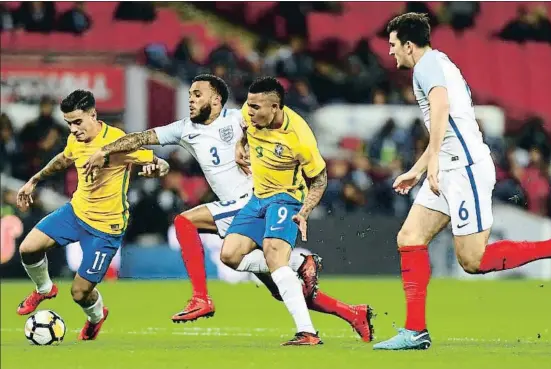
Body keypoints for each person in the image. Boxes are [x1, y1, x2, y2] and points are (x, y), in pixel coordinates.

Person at [82, 74, 374, 342]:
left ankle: (201, 297)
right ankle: (352, 312)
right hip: (245, 208)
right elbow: (141, 138)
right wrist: (105, 149)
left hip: (252, 199)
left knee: (185, 222)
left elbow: (272, 134)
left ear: (216, 99)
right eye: (191, 94)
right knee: (281, 287)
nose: (191, 98)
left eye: (198, 94)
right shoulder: (185, 129)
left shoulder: (239, 117)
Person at [374, 13, 551, 351]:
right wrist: (421, 168)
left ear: (409, 45)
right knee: (410, 236)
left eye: (393, 45)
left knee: (473, 261)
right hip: (450, 166)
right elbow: (446, 127)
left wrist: (431, 167)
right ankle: (415, 330)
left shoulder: (426, 66)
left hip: (464, 170)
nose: (390, 52)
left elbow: (442, 108)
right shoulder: (439, 62)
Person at [15, 90, 170, 340]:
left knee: (80, 293)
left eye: (77, 122)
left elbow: (161, 163)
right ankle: (44, 289)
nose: (73, 129)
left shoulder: (118, 142)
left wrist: (157, 169)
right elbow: (64, 159)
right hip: (76, 213)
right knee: (28, 248)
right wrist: (34, 180)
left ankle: (96, 317)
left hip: (105, 228)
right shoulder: (76, 139)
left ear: (93, 115)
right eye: (69, 123)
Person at [220, 77, 325, 346]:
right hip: (258, 197)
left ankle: (308, 332)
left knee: (273, 254)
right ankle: (300, 263)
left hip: (286, 197)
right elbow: (244, 129)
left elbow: (320, 179)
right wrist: (239, 146)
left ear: (275, 107)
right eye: (249, 105)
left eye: (256, 108)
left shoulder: (299, 138)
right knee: (229, 255)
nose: (249, 112)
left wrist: (304, 211)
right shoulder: (250, 113)